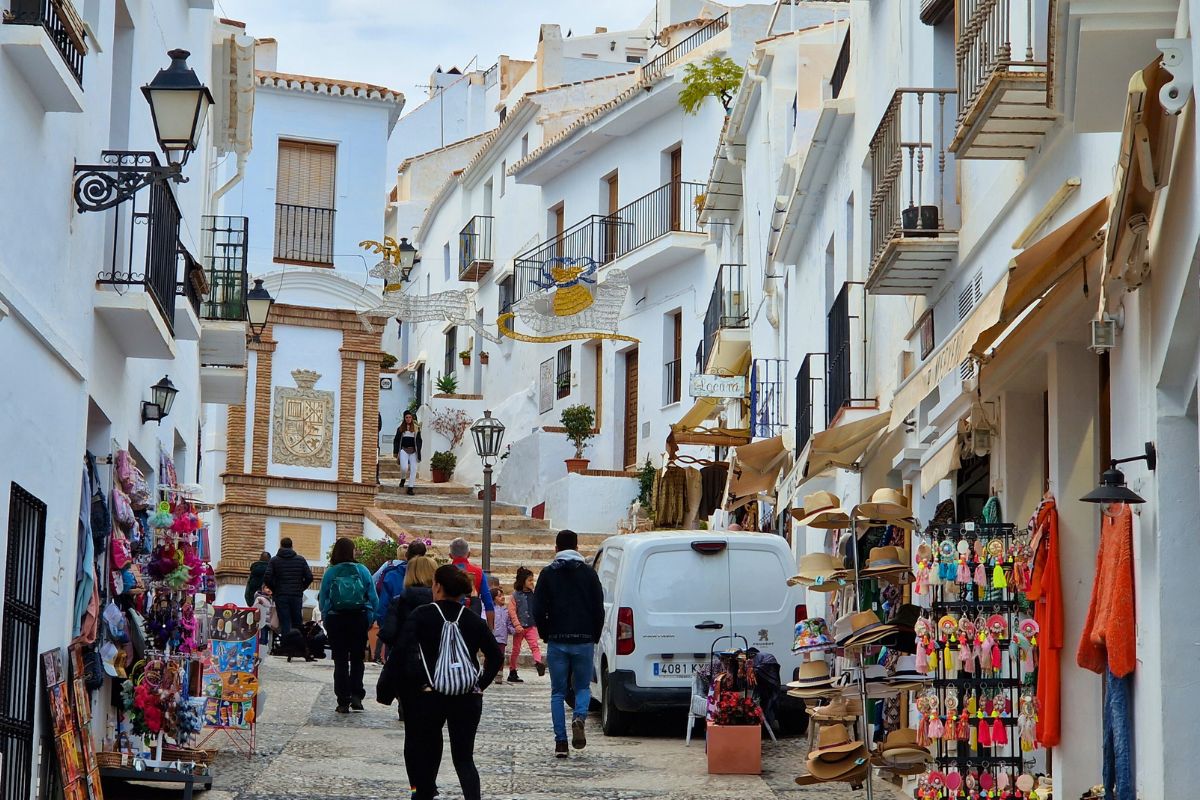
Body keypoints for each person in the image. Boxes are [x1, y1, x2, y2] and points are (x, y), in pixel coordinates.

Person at [401, 565, 502, 800]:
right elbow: (495, 656)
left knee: (426, 754)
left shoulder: (422, 615)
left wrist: (411, 687)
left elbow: (403, 653)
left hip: (430, 697)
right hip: (467, 698)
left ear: (437, 587)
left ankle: (420, 794)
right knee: (464, 759)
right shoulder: (473, 621)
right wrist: (480, 684)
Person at [533, 530, 604, 758]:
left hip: (557, 641)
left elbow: (537, 609)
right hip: (584, 640)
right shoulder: (589, 574)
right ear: (577, 547)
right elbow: (598, 608)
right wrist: (595, 634)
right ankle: (579, 717)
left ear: (556, 549)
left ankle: (561, 743)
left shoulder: (547, 574)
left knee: (558, 692)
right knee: (582, 687)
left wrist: (546, 633)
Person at [318, 537, 379, 713]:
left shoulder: (331, 572)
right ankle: (357, 696)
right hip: (358, 618)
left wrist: (326, 615)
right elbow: (373, 597)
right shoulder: (362, 570)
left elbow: (323, 599)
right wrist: (370, 616)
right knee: (358, 659)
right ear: (352, 551)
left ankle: (342, 700)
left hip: (336, 619)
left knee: (341, 661)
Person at [373, 540, 428, 662]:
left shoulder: (392, 574)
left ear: (406, 556)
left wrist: (385, 628)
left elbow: (383, 607)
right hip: (423, 636)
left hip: (396, 632)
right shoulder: (431, 577)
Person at [264, 538, 313, 637]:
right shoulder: (301, 559)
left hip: (281, 595)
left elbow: (267, 577)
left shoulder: (274, 560)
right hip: (296, 595)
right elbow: (309, 577)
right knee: (297, 621)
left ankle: (286, 645)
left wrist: (275, 589)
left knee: (285, 621)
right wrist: (301, 588)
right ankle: (297, 646)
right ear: (292, 546)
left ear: (281, 546)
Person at [507, 567, 545, 683]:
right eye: (529, 580)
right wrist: (517, 625)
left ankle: (538, 663)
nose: (532, 583)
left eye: (532, 580)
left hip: (531, 626)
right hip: (519, 628)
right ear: (523, 581)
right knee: (516, 649)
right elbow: (512, 611)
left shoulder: (534, 595)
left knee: (534, 646)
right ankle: (512, 670)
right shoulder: (515, 596)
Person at [448, 538, 495, 628]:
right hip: (472, 616)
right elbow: (488, 602)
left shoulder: (445, 572)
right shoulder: (478, 572)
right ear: (468, 554)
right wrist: (490, 628)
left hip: (449, 618)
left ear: (450, 555)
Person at [393, 410, 423, 496]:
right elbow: (396, 440)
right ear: (404, 418)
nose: (408, 419)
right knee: (404, 468)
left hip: (413, 451)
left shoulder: (416, 429)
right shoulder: (401, 429)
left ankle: (410, 488)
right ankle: (403, 478)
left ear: (412, 418)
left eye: (410, 417)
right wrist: (396, 452)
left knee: (414, 469)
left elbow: (419, 441)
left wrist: (418, 450)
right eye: (406, 417)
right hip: (404, 450)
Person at [491, 585, 514, 685]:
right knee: (490, 656)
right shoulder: (490, 610)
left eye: (503, 595)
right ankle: (487, 673)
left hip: (502, 638)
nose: (503, 597)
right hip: (492, 637)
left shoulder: (506, 611)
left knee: (501, 657)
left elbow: (508, 624)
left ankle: (499, 675)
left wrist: (513, 630)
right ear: (494, 598)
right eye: (499, 596)